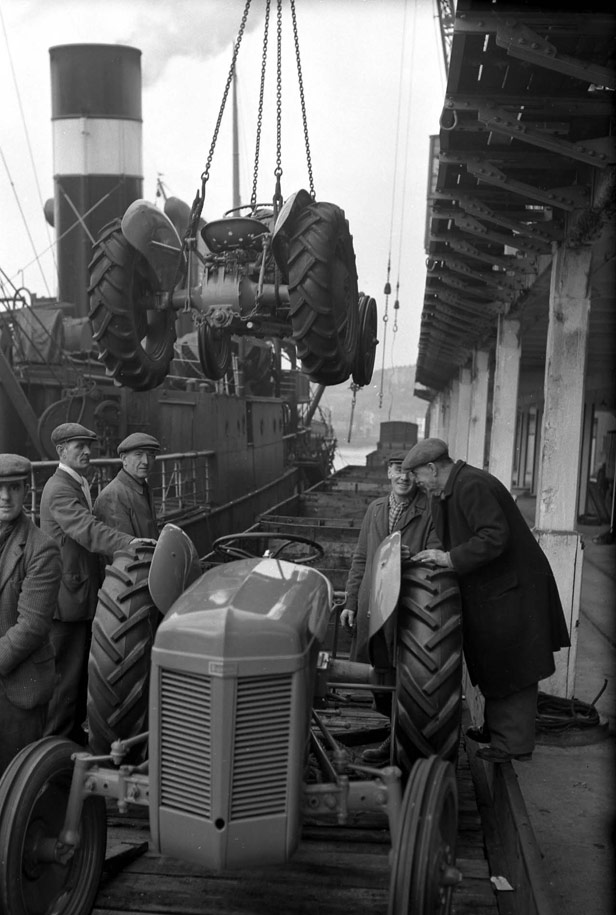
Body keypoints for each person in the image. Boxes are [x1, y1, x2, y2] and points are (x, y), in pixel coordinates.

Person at [405, 438, 571, 763]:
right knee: (495, 660)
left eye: (418, 476)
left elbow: (494, 536)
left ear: (431, 468)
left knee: (515, 664)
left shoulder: (471, 486)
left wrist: (450, 559)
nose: (417, 483)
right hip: (496, 588)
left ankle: (513, 745)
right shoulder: (452, 487)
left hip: (513, 589)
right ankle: (496, 732)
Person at [340, 451, 442, 762]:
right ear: (388, 473)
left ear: (419, 475)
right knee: (378, 676)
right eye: (398, 469)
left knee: (407, 679)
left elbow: (437, 551)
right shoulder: (375, 509)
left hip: (410, 609)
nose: (403, 476)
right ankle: (393, 734)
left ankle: (400, 743)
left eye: (410, 471)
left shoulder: (430, 511)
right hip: (374, 607)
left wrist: (411, 555)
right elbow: (361, 558)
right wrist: (350, 601)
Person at [39, 422, 137, 744]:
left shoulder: (78, 482)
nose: (86, 451)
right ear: (61, 451)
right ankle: (56, 758)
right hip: (67, 602)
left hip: (80, 596)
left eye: (87, 445)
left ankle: (72, 746)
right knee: (65, 684)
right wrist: (131, 544)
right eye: (78, 446)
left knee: (80, 677)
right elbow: (88, 530)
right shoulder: (59, 488)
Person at [0, 454, 62, 775]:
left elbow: (32, 626)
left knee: (11, 787)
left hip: (18, 691)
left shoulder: (42, 548)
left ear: (26, 491)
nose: (5, 497)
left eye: (13, 488)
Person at [93, 432, 160, 541]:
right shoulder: (112, 496)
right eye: (139, 454)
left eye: (151, 455)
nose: (146, 461)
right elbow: (121, 550)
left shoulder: (142, 488)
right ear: (124, 459)